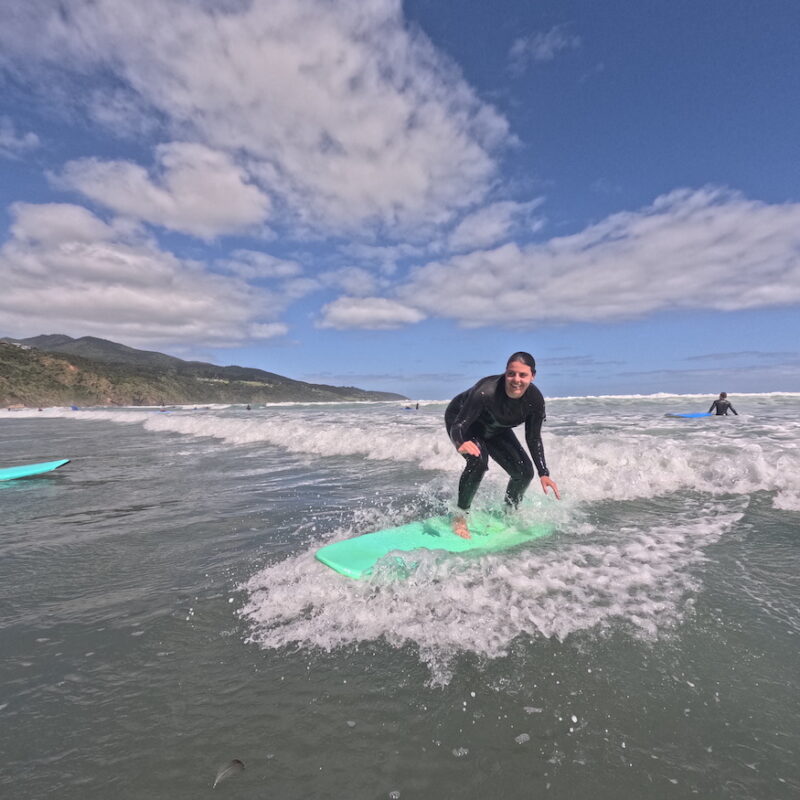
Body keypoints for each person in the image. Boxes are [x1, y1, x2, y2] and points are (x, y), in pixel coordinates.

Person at [444, 352, 560, 538]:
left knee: (524, 473)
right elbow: (459, 424)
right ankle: (460, 516)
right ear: (505, 373)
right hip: (465, 423)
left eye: (523, 375)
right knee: (478, 462)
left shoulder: (534, 401)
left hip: (495, 428)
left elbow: (533, 438)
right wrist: (460, 441)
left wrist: (543, 472)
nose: (516, 380)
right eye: (511, 374)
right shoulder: (485, 391)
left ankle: (509, 511)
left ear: (533, 376)